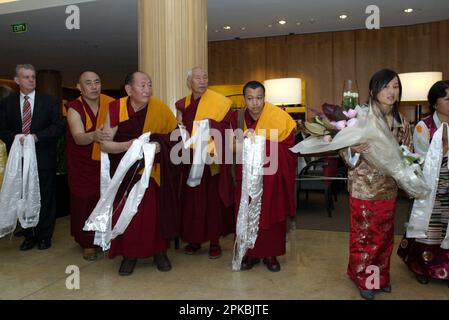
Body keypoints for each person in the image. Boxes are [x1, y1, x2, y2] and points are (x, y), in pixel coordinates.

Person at [340, 69, 412, 299]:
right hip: (363, 186)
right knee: (363, 236)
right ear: (372, 91)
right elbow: (343, 148)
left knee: (384, 236)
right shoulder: (360, 118)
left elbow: (407, 154)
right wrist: (352, 149)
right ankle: (365, 278)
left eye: (395, 87)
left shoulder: (403, 122)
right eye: (386, 87)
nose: (391, 92)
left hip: (388, 188)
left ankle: (381, 276)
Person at [101, 71, 178, 275]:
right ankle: (129, 255)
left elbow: (176, 136)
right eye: (142, 85)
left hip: (152, 172)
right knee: (129, 215)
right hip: (126, 172)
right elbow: (106, 145)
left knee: (154, 213)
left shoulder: (159, 108)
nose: (147, 90)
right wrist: (131, 146)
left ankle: (159, 252)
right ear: (128, 89)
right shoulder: (116, 108)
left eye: (149, 85)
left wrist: (160, 145)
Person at [231, 80, 297, 272]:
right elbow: (228, 145)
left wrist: (260, 143)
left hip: (271, 176)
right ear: (244, 99)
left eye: (259, 98)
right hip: (246, 175)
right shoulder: (237, 118)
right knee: (246, 214)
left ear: (264, 98)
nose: (255, 103)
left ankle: (271, 255)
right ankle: (249, 254)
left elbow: (289, 149)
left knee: (272, 213)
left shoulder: (278, 117)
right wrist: (243, 142)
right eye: (250, 98)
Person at [0, 64, 65, 250]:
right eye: (26, 77)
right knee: (24, 197)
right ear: (17, 80)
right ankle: (29, 235)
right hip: (19, 160)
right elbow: (2, 128)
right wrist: (15, 138)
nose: (31, 80)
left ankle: (45, 235)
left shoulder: (50, 101)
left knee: (45, 197)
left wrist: (37, 137)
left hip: (43, 157)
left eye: (33, 77)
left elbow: (59, 126)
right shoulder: (7, 103)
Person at [175, 67, 235, 259]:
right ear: (189, 82)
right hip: (189, 158)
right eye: (197, 78)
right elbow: (179, 128)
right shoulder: (182, 104)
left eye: (205, 77)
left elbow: (229, 128)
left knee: (212, 202)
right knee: (192, 201)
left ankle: (214, 242)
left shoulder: (221, 103)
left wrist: (212, 124)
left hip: (211, 158)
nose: (202, 81)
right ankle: (194, 240)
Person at [397, 80, 449, 286]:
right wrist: (444, 150)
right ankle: (421, 266)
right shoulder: (424, 126)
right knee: (429, 227)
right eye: (447, 98)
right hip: (431, 186)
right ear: (434, 103)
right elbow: (420, 160)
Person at [65, 71, 115, 260]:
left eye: (97, 82)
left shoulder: (110, 103)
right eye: (88, 83)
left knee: (105, 199)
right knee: (85, 201)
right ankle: (87, 242)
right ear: (79, 87)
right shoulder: (74, 108)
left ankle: (105, 237)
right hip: (83, 165)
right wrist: (93, 136)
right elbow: (78, 138)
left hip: (107, 160)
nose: (94, 86)